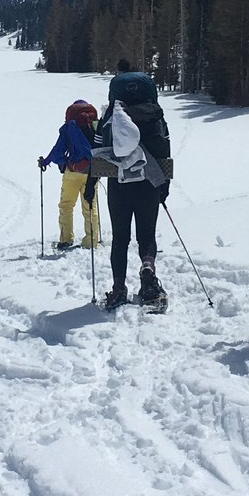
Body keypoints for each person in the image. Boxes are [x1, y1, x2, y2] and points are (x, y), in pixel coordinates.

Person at [102, 61, 169, 310]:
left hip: (119, 184)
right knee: (146, 235)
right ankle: (148, 271)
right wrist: (164, 185)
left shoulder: (112, 117)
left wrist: (90, 184)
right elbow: (165, 152)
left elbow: (97, 150)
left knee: (120, 238)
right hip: (149, 184)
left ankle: (119, 288)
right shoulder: (156, 116)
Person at [38, 99, 102, 252]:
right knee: (90, 206)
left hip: (73, 171)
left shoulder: (70, 127)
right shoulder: (95, 125)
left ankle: (66, 239)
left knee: (66, 205)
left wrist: (48, 161)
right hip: (93, 171)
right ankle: (91, 241)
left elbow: (58, 150)